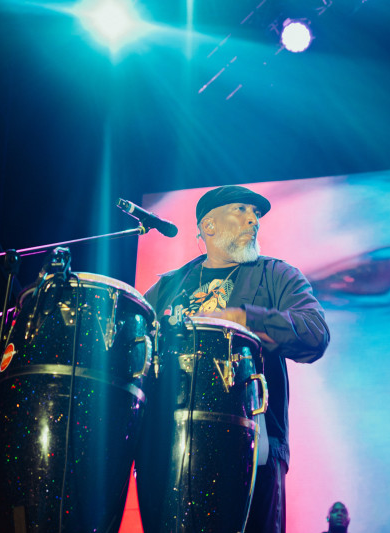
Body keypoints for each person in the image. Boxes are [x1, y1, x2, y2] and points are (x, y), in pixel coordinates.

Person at [141, 185, 331, 532]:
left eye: (256, 214)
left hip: (250, 442)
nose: (253, 220)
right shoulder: (169, 287)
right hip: (168, 442)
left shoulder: (276, 275)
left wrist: (247, 319)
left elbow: (315, 334)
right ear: (209, 226)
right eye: (242, 210)